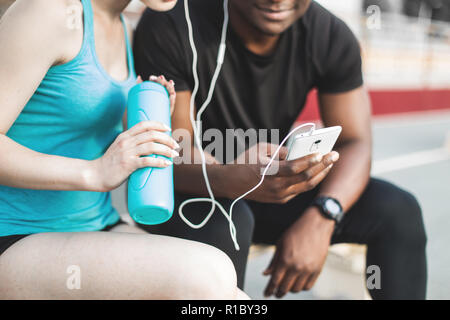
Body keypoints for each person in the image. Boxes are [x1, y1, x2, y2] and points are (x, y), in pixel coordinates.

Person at [134, 0, 428, 299]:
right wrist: (226, 177)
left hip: (271, 184)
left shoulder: (328, 34)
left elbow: (355, 140)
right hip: (193, 188)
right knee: (228, 222)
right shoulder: (172, 21)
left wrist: (323, 215)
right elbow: (173, 153)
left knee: (397, 210)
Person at [0, 0, 248, 300]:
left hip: (97, 226)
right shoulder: (48, 11)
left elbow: (75, 130)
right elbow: (94, 166)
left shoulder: (125, 29)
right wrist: (93, 172)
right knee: (210, 273)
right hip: (15, 237)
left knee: (235, 298)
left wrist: (134, 126)